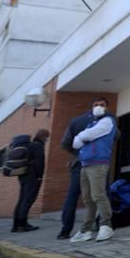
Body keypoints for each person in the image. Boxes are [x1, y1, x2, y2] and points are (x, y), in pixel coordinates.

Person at [70, 100, 118, 243]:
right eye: (95, 105)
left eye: (102, 104)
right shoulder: (91, 124)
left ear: (107, 108)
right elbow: (75, 143)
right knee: (87, 199)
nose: (98, 107)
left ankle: (106, 226)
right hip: (85, 164)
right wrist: (82, 136)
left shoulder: (108, 121)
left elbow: (87, 136)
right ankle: (86, 230)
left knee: (98, 195)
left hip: (98, 164)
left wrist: (82, 136)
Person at [56, 98, 102, 239]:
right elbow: (116, 137)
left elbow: (65, 143)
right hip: (98, 163)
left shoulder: (75, 122)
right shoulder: (105, 121)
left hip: (78, 162)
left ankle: (65, 230)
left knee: (72, 196)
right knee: (101, 195)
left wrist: (78, 153)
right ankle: (102, 225)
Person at [12, 128, 49, 232]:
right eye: (47, 137)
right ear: (44, 137)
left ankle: (15, 225)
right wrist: (39, 175)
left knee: (21, 200)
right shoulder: (38, 146)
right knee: (28, 200)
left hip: (23, 175)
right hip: (32, 176)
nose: (47, 140)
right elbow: (40, 162)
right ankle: (23, 224)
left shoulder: (30, 145)